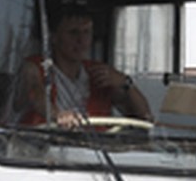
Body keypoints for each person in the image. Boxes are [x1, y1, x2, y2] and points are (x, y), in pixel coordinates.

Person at [15, 9, 151, 128]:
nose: (81, 40)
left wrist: (126, 83)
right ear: (55, 37)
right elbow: (36, 94)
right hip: (41, 151)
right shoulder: (36, 67)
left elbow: (145, 116)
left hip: (94, 153)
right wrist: (58, 115)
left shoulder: (100, 75)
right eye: (73, 33)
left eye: (86, 32)